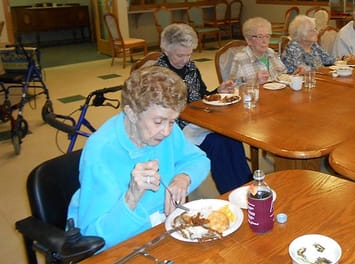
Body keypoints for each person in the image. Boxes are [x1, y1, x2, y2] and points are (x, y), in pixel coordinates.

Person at [67, 66, 210, 251]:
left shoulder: (165, 130)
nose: (167, 131)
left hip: (162, 229)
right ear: (132, 113)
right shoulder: (101, 152)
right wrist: (132, 197)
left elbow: (199, 160)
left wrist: (183, 177)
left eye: (172, 121)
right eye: (158, 122)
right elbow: (95, 239)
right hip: (123, 241)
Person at [156, 23, 252, 194]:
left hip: (200, 121)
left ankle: (247, 184)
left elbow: (202, 95)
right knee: (218, 144)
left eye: (189, 54)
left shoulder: (191, 67)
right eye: (180, 55)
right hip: (176, 129)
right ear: (166, 50)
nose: (185, 60)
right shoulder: (159, 74)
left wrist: (218, 91)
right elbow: (160, 112)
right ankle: (231, 192)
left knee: (232, 136)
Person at [229, 17, 287, 83]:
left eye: (267, 36)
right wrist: (255, 81)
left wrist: (296, 74)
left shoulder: (271, 52)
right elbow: (234, 89)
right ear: (248, 40)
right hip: (256, 93)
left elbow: (284, 76)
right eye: (260, 37)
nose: (264, 41)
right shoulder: (240, 58)